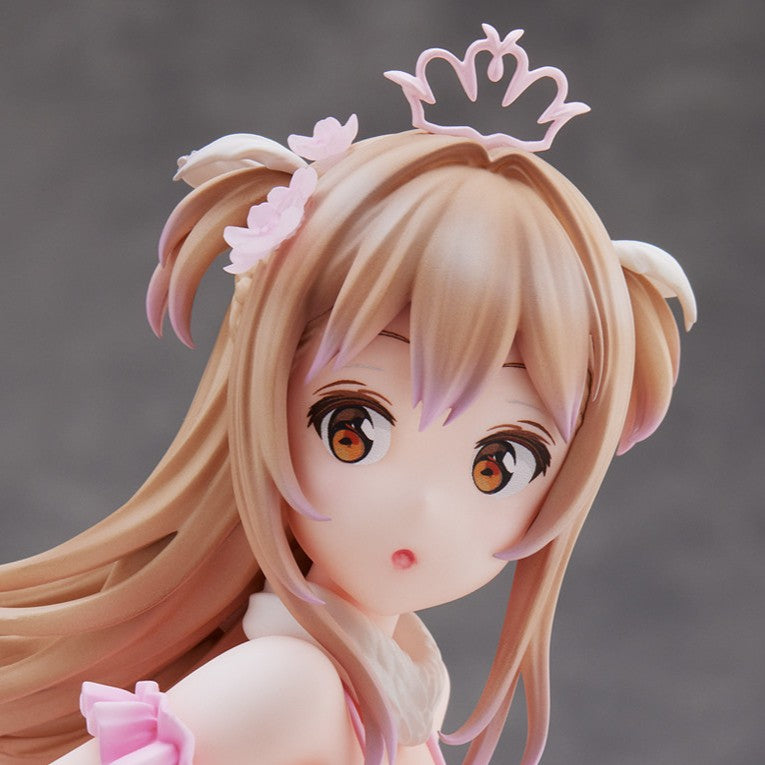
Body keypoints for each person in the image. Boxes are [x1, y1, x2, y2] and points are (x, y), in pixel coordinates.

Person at [0, 25, 695, 765]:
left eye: (499, 464)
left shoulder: (393, 692)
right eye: (352, 430)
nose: (422, 505)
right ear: (265, 401)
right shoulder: (286, 684)